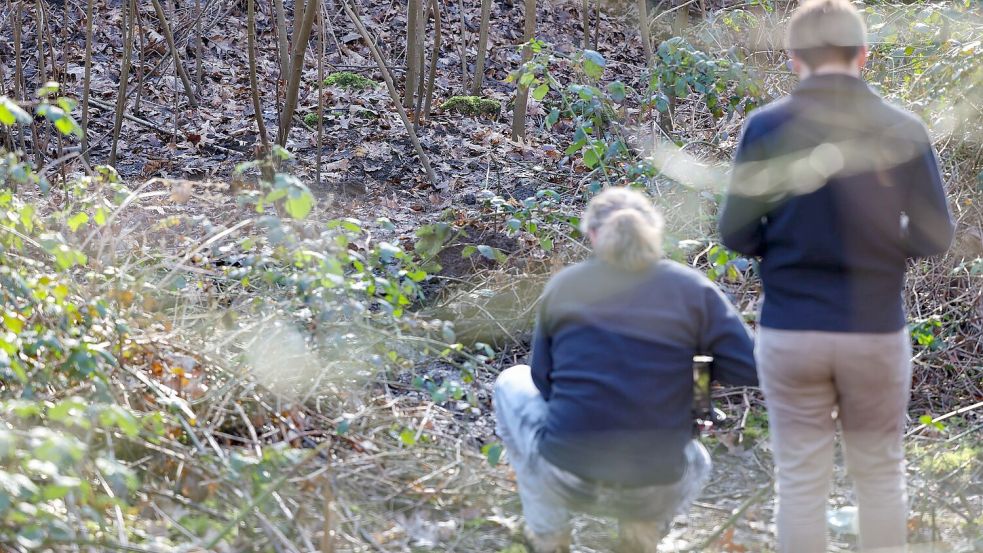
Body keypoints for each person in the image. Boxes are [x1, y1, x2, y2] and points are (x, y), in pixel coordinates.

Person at [718, 1, 955, 552]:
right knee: (879, 478)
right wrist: (885, 247)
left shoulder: (766, 127)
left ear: (794, 58)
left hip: (792, 329)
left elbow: (734, 233)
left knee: (800, 484)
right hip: (873, 328)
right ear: (863, 54)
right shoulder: (902, 128)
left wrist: (784, 247)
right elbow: (936, 236)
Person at [493, 187, 758, 553]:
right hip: (657, 482)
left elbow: (542, 381)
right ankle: (641, 535)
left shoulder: (566, 286)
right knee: (697, 460)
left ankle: (548, 534)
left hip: (567, 473)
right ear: (654, 234)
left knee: (511, 381)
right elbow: (752, 367)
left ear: (592, 235)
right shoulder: (692, 289)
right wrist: (697, 369)